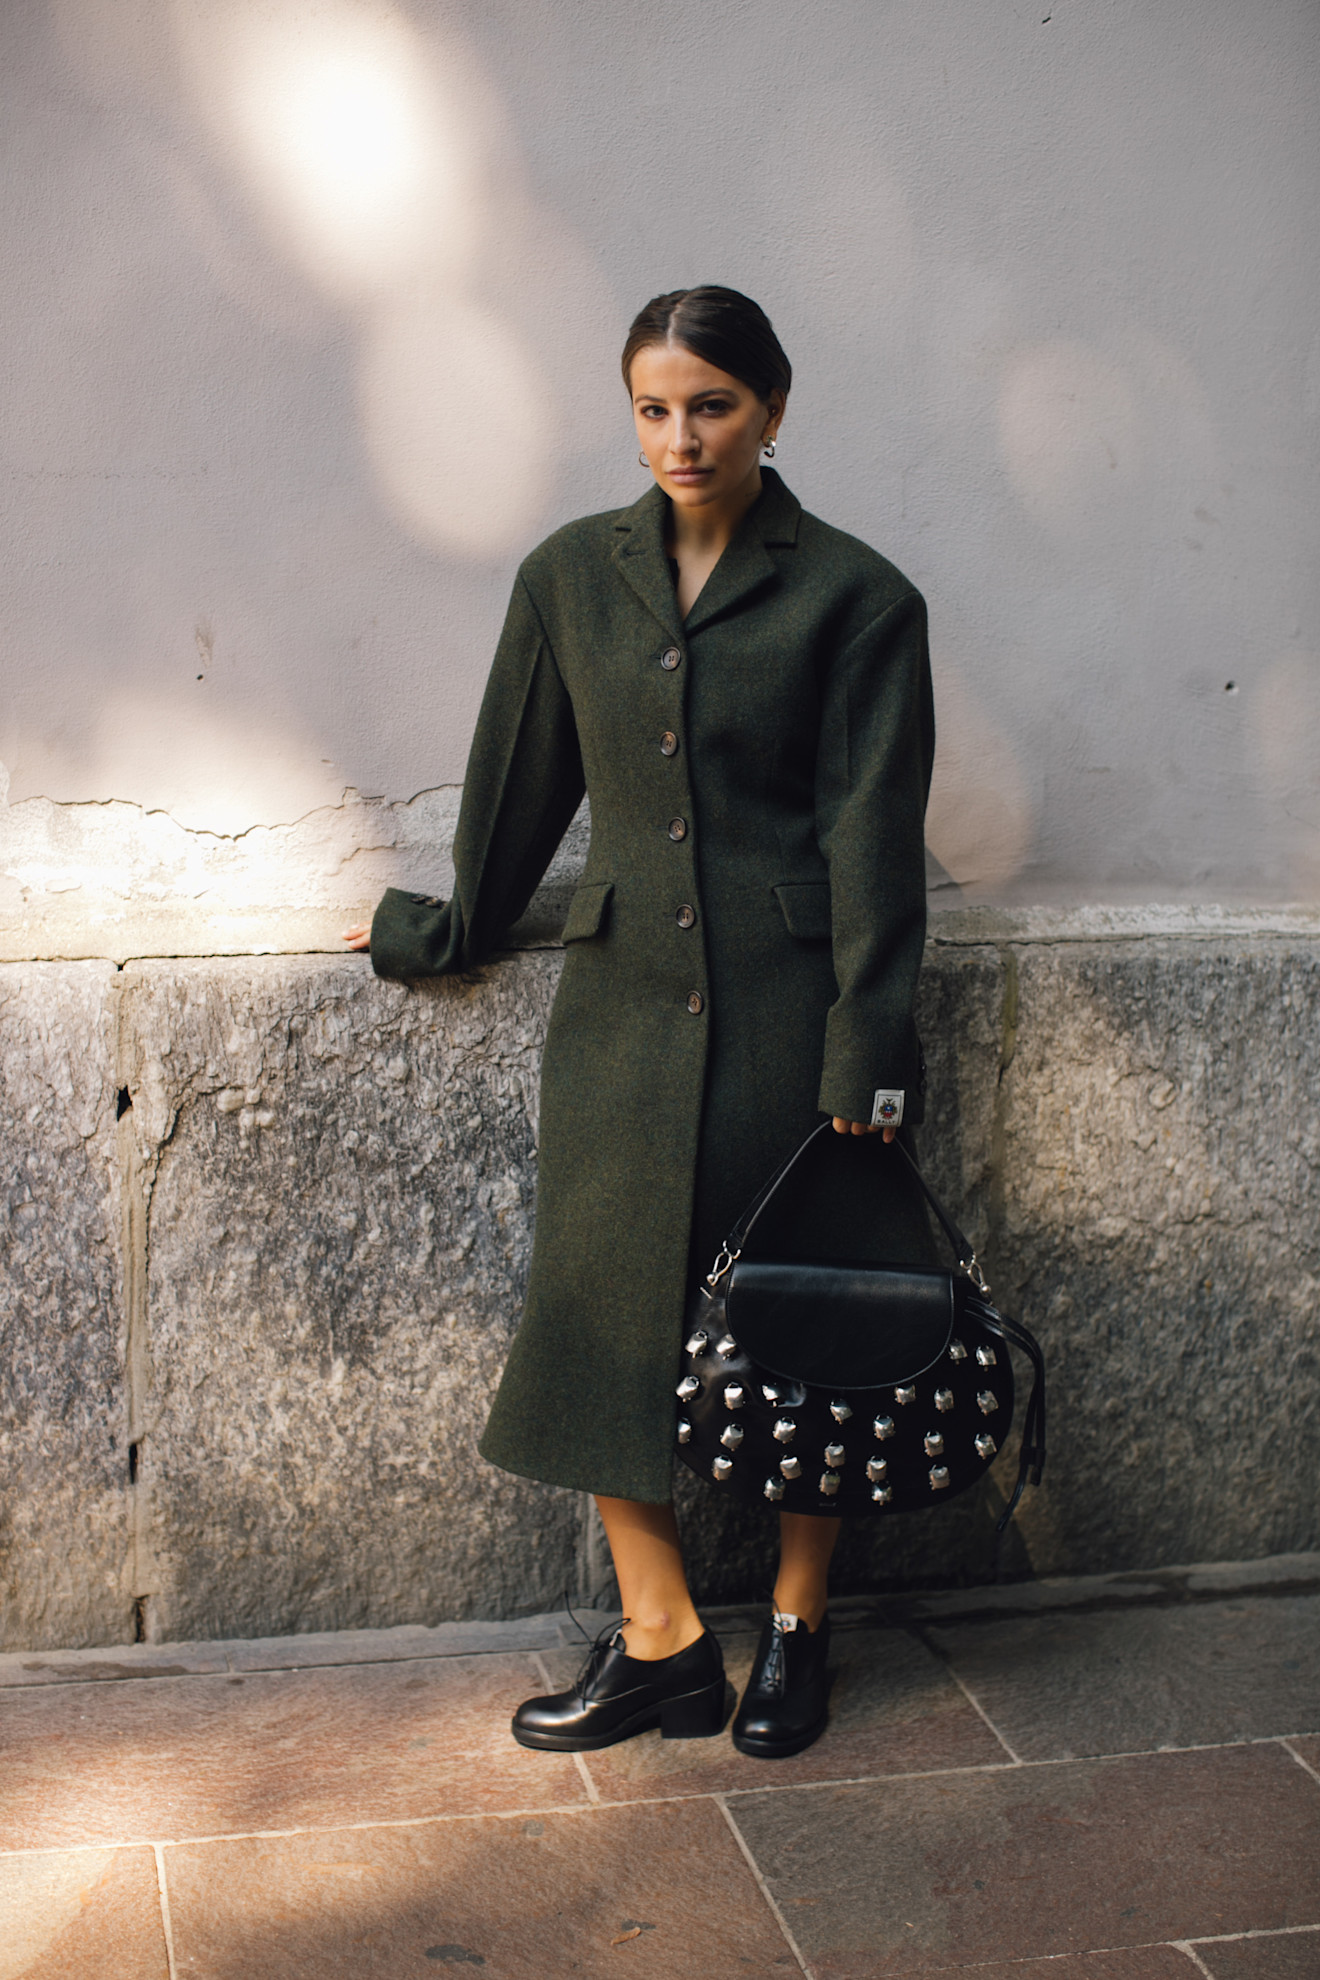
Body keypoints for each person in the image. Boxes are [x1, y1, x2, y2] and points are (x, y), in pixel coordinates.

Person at [344, 286, 935, 1760]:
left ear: (775, 411)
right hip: (617, 1023)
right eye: (654, 407)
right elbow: (519, 788)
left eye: (714, 404)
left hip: (790, 1022)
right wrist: (446, 928)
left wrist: (869, 1044)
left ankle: (800, 1628)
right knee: (603, 1325)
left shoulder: (859, 598)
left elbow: (873, 841)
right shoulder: (568, 576)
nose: (682, 435)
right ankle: (662, 1638)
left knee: (812, 1328)